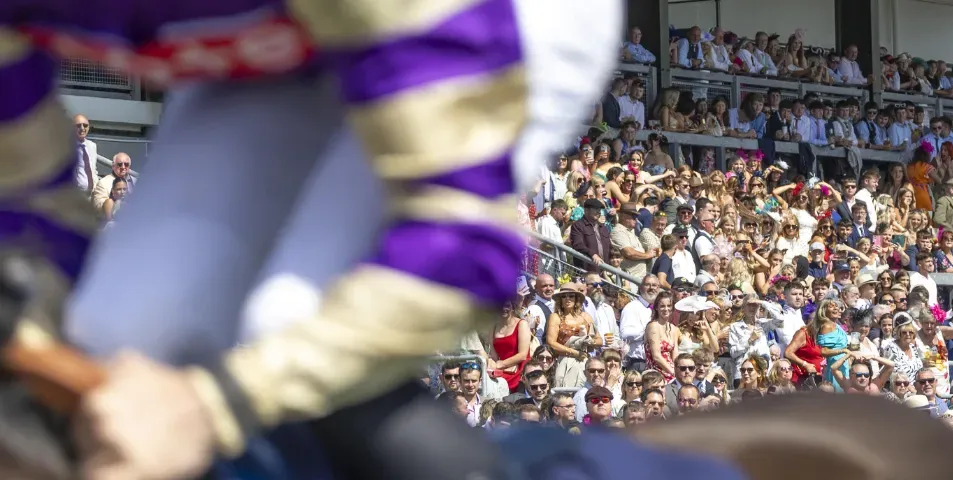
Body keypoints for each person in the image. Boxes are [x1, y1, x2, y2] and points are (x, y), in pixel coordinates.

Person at [0, 0, 623, 478]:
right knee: (121, 332)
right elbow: (31, 200)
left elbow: (461, 243)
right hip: (275, 44)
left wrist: (217, 405)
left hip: (480, 24)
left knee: (290, 321)